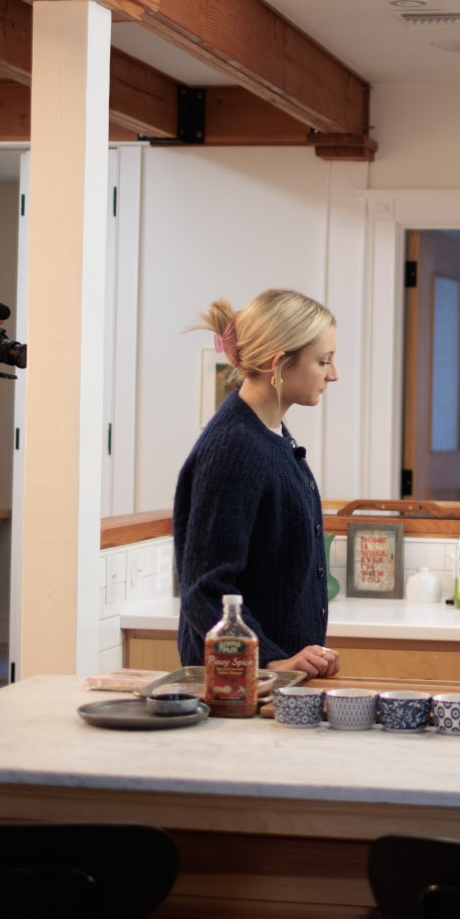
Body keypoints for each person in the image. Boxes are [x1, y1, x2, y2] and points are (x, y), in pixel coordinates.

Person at [173, 288, 343, 678]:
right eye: (323, 361)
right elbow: (207, 587)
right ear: (279, 363)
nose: (333, 375)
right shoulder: (235, 448)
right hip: (235, 681)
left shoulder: (269, 434)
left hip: (266, 678)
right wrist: (270, 660)